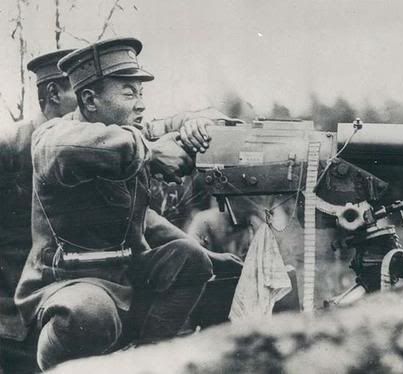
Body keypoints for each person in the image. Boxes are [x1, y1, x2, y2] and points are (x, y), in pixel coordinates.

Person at [14, 37, 241, 371]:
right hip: (69, 283)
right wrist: (149, 152)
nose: (141, 105)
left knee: (190, 260)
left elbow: (144, 216)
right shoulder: (56, 135)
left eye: (141, 93)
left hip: (124, 274)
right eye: (129, 93)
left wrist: (196, 124)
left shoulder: (126, 132)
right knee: (90, 311)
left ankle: (145, 360)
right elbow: (60, 149)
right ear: (90, 99)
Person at [0, 49, 77, 373]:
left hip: (70, 311)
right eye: (82, 90)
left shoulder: (89, 147)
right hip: (15, 319)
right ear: (53, 93)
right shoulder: (10, 146)